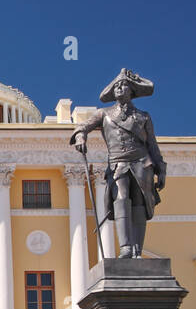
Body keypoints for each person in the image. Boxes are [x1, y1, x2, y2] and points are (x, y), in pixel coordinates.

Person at [69, 69, 166, 258]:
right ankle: (126, 247)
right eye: (117, 86)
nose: (120, 88)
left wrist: (161, 169)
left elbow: (152, 145)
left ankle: (137, 248)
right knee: (121, 198)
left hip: (142, 163)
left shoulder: (143, 116)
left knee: (139, 203)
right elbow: (81, 127)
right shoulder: (104, 114)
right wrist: (81, 137)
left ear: (132, 91)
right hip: (117, 163)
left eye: (124, 86)